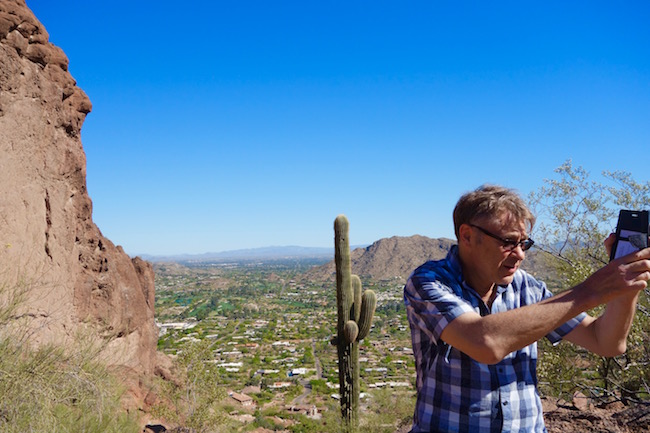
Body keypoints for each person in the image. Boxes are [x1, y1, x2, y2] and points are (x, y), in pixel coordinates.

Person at [403, 184, 650, 433]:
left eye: (524, 243)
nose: (520, 254)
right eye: (509, 242)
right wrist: (592, 289)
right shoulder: (428, 281)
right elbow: (485, 343)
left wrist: (627, 285)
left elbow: (606, 342)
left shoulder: (529, 288)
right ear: (467, 236)